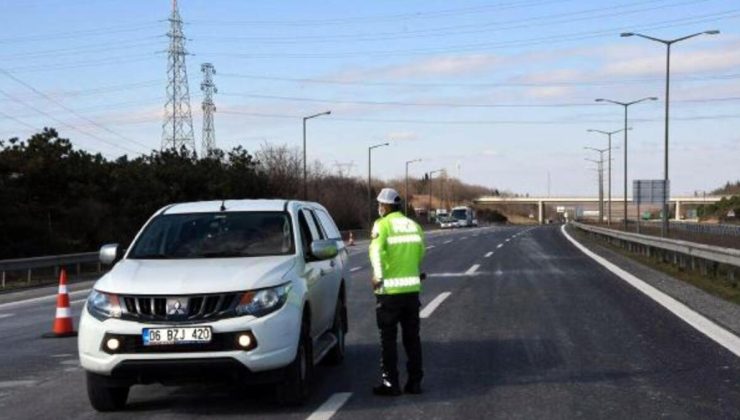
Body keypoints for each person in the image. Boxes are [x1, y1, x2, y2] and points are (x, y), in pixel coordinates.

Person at [369, 187, 426, 396]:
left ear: (386, 206)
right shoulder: (414, 225)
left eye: (379, 205)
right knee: (412, 339)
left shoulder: (382, 225)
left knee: (388, 339)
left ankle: (391, 384)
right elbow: (421, 252)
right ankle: (415, 383)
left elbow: (375, 250)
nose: (378, 208)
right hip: (411, 291)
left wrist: (378, 276)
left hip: (389, 292)